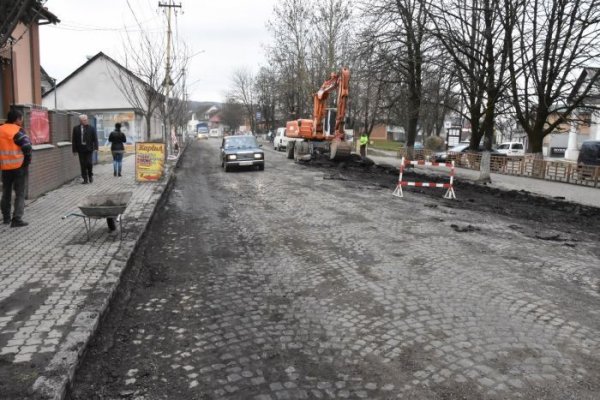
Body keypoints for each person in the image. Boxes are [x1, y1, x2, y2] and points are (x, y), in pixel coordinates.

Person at [0, 109, 32, 227]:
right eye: (21, 118)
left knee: (6, 193)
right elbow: (27, 146)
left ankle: (6, 218)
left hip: (4, 167)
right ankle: (17, 219)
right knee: (20, 193)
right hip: (19, 167)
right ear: (17, 119)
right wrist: (27, 161)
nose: (22, 121)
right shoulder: (18, 131)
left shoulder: (1, 129)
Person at [72, 114, 98, 184]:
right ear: (80, 121)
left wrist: (96, 147)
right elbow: (74, 140)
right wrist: (74, 150)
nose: (86, 121)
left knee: (89, 163)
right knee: (82, 164)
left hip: (89, 148)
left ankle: (90, 175)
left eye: (86, 120)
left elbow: (95, 138)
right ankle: (85, 179)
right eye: (84, 120)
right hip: (80, 149)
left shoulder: (91, 128)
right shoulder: (76, 128)